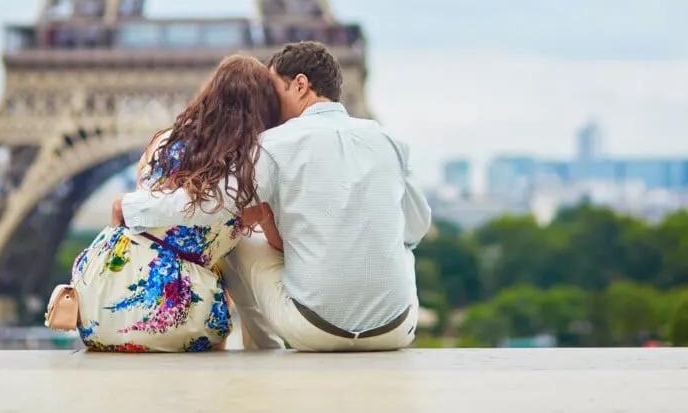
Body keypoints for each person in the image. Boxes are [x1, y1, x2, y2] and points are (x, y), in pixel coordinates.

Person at [121, 41, 431, 351]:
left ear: (299, 85)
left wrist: (131, 206)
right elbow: (416, 227)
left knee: (238, 237)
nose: (268, 102)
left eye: (273, 89)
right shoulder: (388, 140)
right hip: (395, 332)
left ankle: (263, 348)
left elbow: (210, 206)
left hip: (312, 331)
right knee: (402, 246)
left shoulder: (273, 145)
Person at [64, 55, 282, 352]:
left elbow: (149, 203)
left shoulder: (164, 141)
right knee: (227, 266)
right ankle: (266, 348)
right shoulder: (243, 169)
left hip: (97, 304)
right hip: (171, 314)